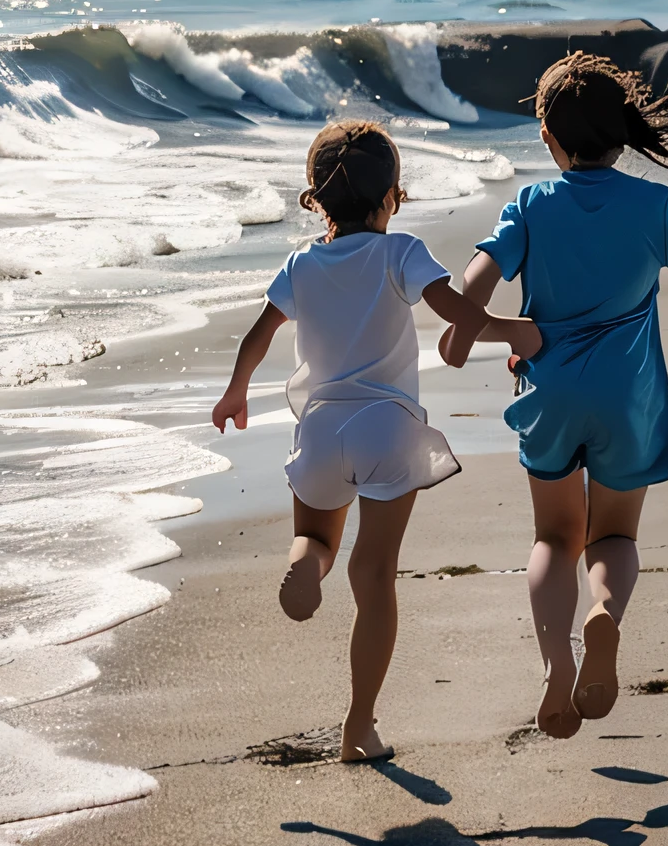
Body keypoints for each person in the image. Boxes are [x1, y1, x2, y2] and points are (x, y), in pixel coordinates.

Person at [212, 119, 541, 763]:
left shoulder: (301, 263)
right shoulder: (401, 253)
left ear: (314, 195)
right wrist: (513, 332)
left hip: (321, 429)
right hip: (387, 428)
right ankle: (359, 727)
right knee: (376, 574)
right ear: (393, 195)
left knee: (318, 537)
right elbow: (457, 312)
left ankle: (306, 566)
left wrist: (236, 391)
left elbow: (259, 335)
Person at [440, 54, 668, 740]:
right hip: (628, 399)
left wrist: (467, 327)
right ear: (622, 133)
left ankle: (555, 665)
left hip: (550, 395)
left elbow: (475, 276)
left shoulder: (531, 207)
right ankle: (604, 613)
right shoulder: (653, 206)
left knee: (553, 535)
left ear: (547, 136)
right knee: (613, 535)